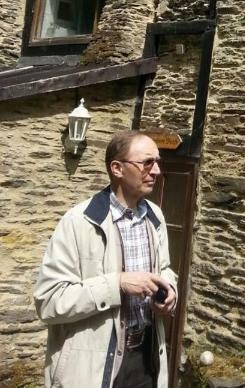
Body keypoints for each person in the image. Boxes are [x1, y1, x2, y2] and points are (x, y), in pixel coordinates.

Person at [34, 130, 177, 388]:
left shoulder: (155, 216)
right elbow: (49, 301)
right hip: (92, 369)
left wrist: (170, 292)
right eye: (147, 163)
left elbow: (165, 269)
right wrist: (117, 284)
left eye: (157, 162)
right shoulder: (78, 221)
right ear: (117, 168)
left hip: (147, 361)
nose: (156, 171)